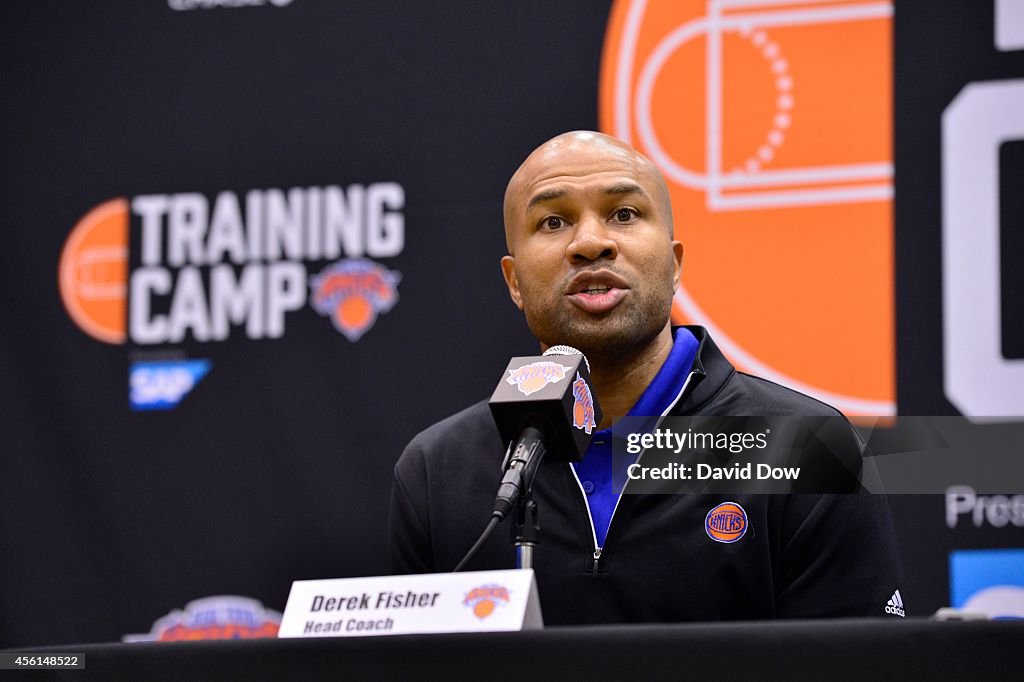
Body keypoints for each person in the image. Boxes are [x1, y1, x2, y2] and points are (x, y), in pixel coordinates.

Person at [389, 131, 905, 623]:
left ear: (676, 265)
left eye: (624, 213)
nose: (590, 243)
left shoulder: (808, 450)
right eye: (552, 222)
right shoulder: (438, 470)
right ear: (514, 281)